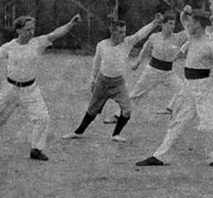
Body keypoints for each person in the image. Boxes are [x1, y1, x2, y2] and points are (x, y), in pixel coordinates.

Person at [137, 6, 213, 168]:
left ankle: (211, 157)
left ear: (199, 25)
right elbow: (183, 20)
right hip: (189, 88)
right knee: (177, 122)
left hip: (205, 90)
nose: (189, 25)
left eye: (192, 23)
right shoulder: (192, 36)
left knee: (206, 126)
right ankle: (159, 156)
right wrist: (185, 13)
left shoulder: (210, 45)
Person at [0, 13, 81, 161]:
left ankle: (36, 149)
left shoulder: (37, 43)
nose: (30, 32)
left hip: (31, 90)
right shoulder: (8, 47)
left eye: (32, 29)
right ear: (18, 30)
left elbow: (55, 34)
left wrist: (71, 23)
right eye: (27, 29)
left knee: (42, 117)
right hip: (10, 89)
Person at [62, 14, 163, 142]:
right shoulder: (102, 45)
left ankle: (115, 134)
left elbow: (140, 34)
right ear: (112, 31)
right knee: (92, 110)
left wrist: (154, 23)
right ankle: (79, 132)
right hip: (102, 82)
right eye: (120, 32)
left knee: (127, 111)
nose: (123, 34)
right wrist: (92, 80)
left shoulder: (127, 43)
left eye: (125, 32)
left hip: (118, 84)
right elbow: (96, 63)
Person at [128, 11, 187, 114]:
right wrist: (137, 63)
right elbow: (145, 50)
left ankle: (170, 108)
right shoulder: (154, 37)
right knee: (136, 93)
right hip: (152, 70)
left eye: (174, 24)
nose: (172, 26)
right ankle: (119, 113)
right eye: (170, 23)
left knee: (183, 90)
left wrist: (184, 15)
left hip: (168, 72)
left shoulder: (178, 38)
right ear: (163, 24)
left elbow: (189, 31)